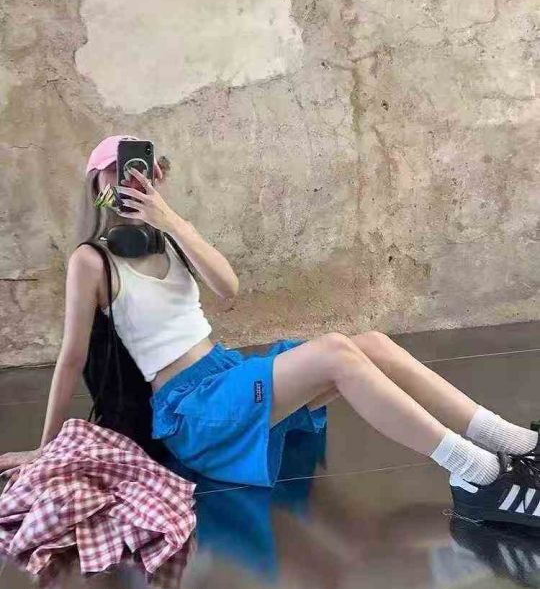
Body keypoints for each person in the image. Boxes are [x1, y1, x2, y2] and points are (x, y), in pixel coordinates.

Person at [1, 135, 539, 527]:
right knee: (336, 354)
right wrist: (45, 449)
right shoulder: (91, 261)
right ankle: (479, 474)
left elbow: (229, 289)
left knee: (370, 344)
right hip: (191, 410)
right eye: (113, 174)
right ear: (95, 185)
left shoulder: (170, 236)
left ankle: (518, 443)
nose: (126, 183)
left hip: (224, 372)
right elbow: (71, 358)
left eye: (135, 171)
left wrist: (171, 221)